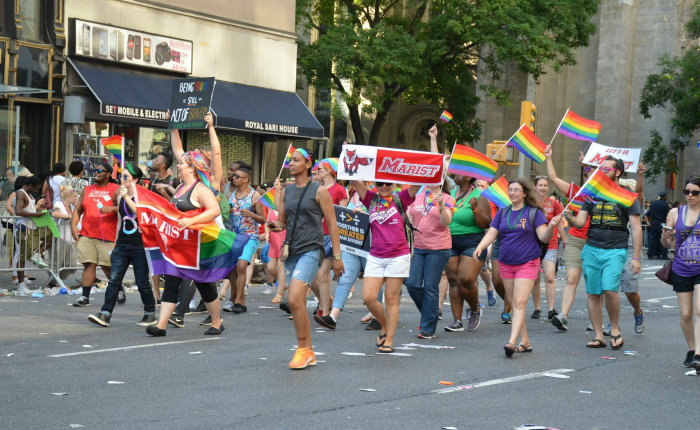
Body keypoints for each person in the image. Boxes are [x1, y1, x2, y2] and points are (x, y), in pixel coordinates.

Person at [148, 111, 226, 336]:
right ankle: (161, 325)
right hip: (180, 244)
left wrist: (211, 126)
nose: (178, 163)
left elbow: (214, 210)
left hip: (199, 245)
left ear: (191, 167)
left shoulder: (204, 187)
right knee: (172, 280)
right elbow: (177, 149)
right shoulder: (181, 187)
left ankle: (217, 322)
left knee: (203, 284)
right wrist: (173, 126)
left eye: (182, 162)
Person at [267, 148, 344, 369]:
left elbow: (332, 225)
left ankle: (302, 349)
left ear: (308, 164)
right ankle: (308, 350)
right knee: (297, 302)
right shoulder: (287, 191)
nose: (290, 163)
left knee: (293, 300)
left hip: (312, 249)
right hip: (291, 251)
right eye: (290, 160)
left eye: (296, 160)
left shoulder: (319, 191)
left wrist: (337, 257)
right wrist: (274, 225)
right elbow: (282, 221)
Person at [474, 178, 562, 357]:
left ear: (524, 193)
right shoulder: (503, 212)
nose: (512, 193)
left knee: (520, 302)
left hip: (528, 262)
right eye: (510, 190)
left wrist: (552, 226)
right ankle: (525, 341)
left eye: (516, 190)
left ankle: (511, 342)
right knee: (515, 303)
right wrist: (481, 246)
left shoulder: (534, 212)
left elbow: (544, 238)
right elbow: (492, 232)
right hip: (506, 262)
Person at [565, 156, 642, 350]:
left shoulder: (627, 196)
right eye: (599, 169)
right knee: (593, 293)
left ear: (617, 172)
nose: (601, 171)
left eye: (606, 169)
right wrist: (569, 218)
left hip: (615, 250)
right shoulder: (591, 195)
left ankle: (614, 328)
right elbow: (581, 222)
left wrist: (636, 257)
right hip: (591, 249)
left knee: (609, 289)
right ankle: (599, 335)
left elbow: (636, 228)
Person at [349, 177, 419, 354]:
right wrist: (349, 153)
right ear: (375, 185)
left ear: (394, 184)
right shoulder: (371, 199)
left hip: (398, 256)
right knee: (369, 297)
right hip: (376, 256)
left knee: (391, 299)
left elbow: (419, 182)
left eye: (388, 183)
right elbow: (354, 179)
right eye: (380, 183)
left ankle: (389, 339)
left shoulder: (401, 198)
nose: (384, 187)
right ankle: (386, 324)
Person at [87, 165, 157, 327]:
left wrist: (126, 198)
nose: (122, 179)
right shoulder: (120, 197)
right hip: (122, 244)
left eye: (126, 177)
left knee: (141, 282)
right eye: (121, 176)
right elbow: (120, 220)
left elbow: (142, 214)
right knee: (114, 280)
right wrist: (115, 243)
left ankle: (149, 313)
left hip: (140, 245)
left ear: (135, 180)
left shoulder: (144, 196)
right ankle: (105, 313)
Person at [403, 125, 454, 339]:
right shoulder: (419, 192)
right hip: (419, 248)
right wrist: (433, 137)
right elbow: (434, 162)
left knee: (431, 286)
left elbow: (445, 222)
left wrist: (442, 206)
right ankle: (430, 313)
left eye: (438, 172)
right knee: (413, 284)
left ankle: (427, 327)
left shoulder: (447, 197)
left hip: (438, 249)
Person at [544, 146, 592, 331]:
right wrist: (549, 157)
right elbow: (554, 179)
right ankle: (563, 316)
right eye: (587, 174)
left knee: (594, 285)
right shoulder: (577, 193)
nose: (588, 178)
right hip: (574, 240)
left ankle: (595, 320)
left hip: (595, 243)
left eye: (592, 174)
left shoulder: (604, 196)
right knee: (571, 279)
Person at [444, 173, 493, 332]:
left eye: (458, 174)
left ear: (467, 177)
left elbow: (486, 223)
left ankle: (475, 309)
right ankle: (457, 321)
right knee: (453, 280)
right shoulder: (449, 194)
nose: (454, 176)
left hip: (472, 241)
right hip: (449, 241)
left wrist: (474, 209)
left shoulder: (480, 196)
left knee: (465, 279)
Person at [661, 176, 700, 369]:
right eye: (687, 192)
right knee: (685, 314)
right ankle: (692, 349)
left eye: (695, 192)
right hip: (681, 267)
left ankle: (699, 355)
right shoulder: (675, 212)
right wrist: (665, 237)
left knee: (699, 309)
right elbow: (666, 244)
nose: (690, 195)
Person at [70, 163, 120, 307]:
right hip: (87, 233)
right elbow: (78, 209)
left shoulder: (116, 189)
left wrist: (111, 208)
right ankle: (84, 297)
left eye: (99, 171)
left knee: (107, 267)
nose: (95, 173)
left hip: (107, 236)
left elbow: (125, 208)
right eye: (94, 170)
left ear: (108, 174)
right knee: (88, 264)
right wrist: (74, 225)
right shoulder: (87, 189)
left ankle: (119, 288)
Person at [223, 162, 266, 314]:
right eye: (233, 176)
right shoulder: (230, 196)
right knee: (233, 269)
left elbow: (263, 219)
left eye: (237, 176)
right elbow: (226, 218)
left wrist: (252, 214)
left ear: (246, 179)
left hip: (250, 237)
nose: (233, 178)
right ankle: (234, 298)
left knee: (242, 266)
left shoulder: (255, 196)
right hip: (233, 236)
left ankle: (240, 301)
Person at [310, 158, 348, 317]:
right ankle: (326, 303)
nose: (317, 171)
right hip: (316, 235)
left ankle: (324, 312)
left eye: (320, 169)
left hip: (332, 236)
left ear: (328, 171)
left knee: (322, 274)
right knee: (312, 278)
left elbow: (343, 215)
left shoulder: (339, 190)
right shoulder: (316, 189)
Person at [531, 176, 566, 321]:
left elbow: (559, 224)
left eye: (545, 185)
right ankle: (537, 308)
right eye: (540, 185)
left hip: (550, 244)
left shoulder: (554, 204)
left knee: (550, 276)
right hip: (532, 245)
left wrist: (565, 242)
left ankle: (551, 309)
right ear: (534, 187)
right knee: (535, 278)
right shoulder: (529, 204)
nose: (543, 188)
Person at [13, 176, 48, 296]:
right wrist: (35, 214)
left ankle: (37, 254)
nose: (37, 191)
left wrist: (39, 212)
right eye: (36, 189)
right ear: (30, 186)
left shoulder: (30, 194)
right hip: (24, 229)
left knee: (52, 235)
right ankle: (21, 284)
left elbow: (30, 209)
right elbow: (19, 211)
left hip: (33, 226)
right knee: (23, 256)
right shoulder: (20, 193)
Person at [51, 185, 79, 290]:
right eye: (75, 196)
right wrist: (69, 216)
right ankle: (54, 281)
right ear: (68, 196)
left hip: (70, 240)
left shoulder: (72, 207)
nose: (76, 198)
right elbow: (54, 213)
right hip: (61, 239)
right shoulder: (59, 204)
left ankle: (57, 279)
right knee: (58, 262)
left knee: (71, 264)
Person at [648, 190, 671, 260]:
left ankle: (650, 254)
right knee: (664, 237)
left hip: (654, 222)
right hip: (662, 222)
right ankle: (664, 255)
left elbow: (650, 213)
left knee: (653, 239)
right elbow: (669, 213)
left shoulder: (653, 203)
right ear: (664, 196)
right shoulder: (665, 204)